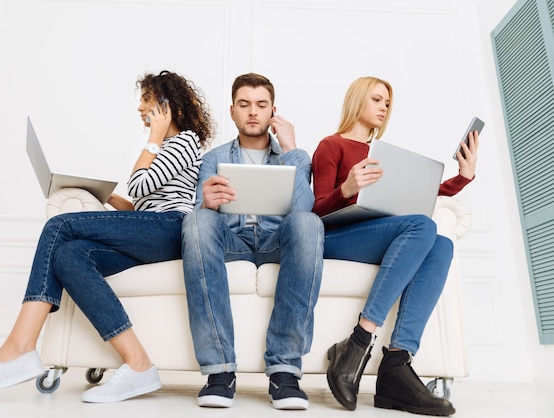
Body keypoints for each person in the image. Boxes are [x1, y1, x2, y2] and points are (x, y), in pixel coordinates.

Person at [0, 70, 215, 404]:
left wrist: (153, 139)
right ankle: (139, 364)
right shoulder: (163, 148)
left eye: (146, 100)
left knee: (59, 226)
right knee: (69, 255)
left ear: (167, 105)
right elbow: (141, 202)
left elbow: (143, 186)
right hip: (152, 227)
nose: (140, 109)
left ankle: (19, 347)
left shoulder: (182, 141)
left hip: (172, 229)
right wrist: (106, 198)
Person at [311, 76, 478, 416]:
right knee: (423, 225)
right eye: (376, 100)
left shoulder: (382, 155)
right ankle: (359, 340)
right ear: (357, 101)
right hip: (336, 238)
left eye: (387, 103)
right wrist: (346, 189)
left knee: (441, 245)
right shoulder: (331, 146)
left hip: (378, 235)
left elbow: (428, 191)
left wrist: (464, 176)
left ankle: (397, 364)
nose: (384, 108)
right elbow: (314, 213)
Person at [181, 73, 324, 410]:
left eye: (261, 105)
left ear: (273, 111)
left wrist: (290, 148)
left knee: (309, 222)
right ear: (232, 111)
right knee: (197, 219)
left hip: (277, 240)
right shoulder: (214, 157)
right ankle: (220, 372)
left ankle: (284, 372)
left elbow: (304, 209)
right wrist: (208, 203)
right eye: (244, 105)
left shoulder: (297, 157)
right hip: (234, 239)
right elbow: (205, 217)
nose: (253, 113)